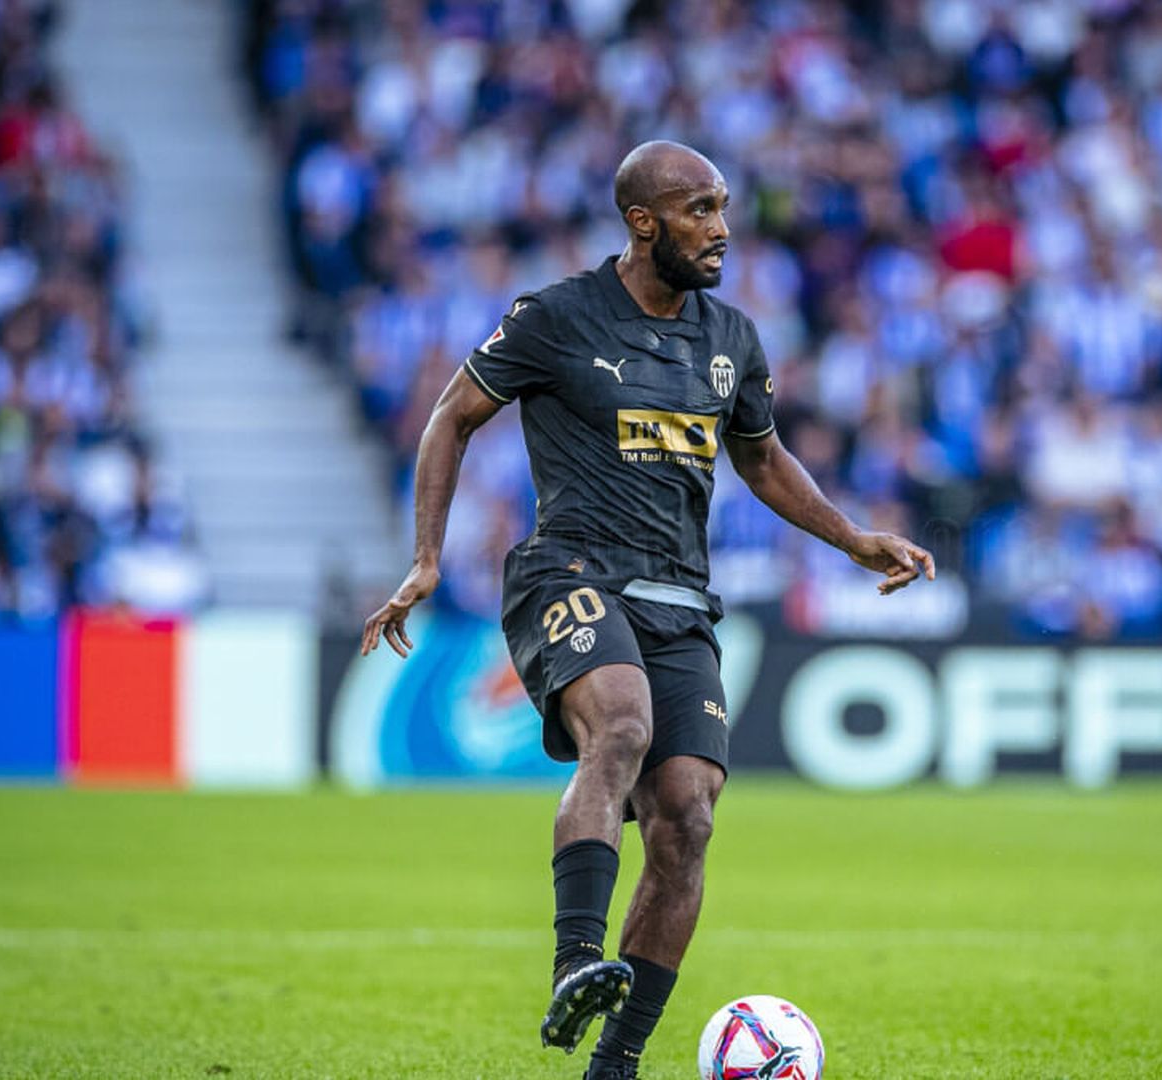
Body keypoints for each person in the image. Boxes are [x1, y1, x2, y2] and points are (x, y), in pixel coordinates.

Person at [360, 141, 934, 1079]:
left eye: (722, 209)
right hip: (569, 570)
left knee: (689, 813)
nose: (720, 229)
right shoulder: (555, 318)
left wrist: (852, 536)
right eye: (700, 210)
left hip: (680, 598)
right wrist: (426, 560)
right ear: (643, 222)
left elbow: (760, 458)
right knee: (619, 726)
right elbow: (450, 417)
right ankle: (576, 962)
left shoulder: (732, 339)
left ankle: (615, 1063)